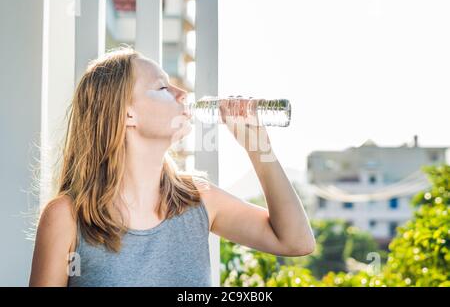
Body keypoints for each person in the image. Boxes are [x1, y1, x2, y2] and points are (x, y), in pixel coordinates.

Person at [29, 47, 315, 287]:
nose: (182, 94)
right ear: (127, 113)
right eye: (163, 87)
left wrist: (259, 148)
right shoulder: (67, 217)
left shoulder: (198, 199)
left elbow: (295, 241)